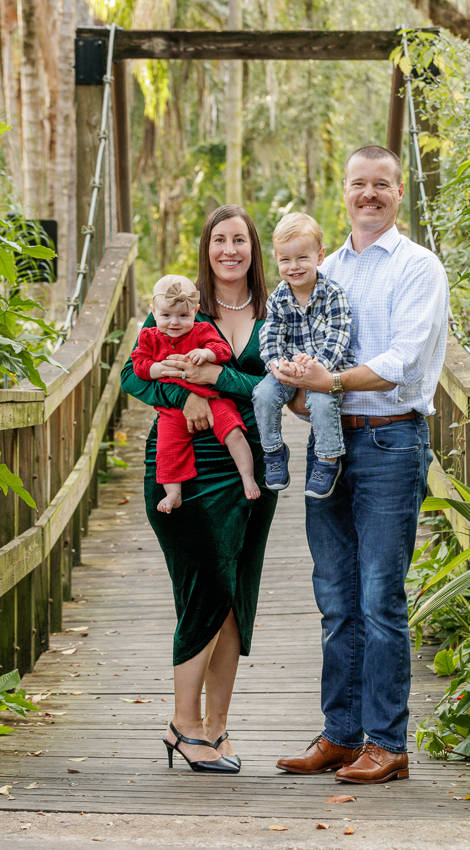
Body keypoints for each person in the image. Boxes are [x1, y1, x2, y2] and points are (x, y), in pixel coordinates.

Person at [274, 145, 449, 783]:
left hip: (390, 443)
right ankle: (342, 734)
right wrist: (296, 385)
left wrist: (328, 382)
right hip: (328, 443)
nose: (368, 194)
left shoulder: (419, 267)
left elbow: (402, 358)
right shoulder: (321, 270)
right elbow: (298, 346)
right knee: (336, 597)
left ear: (400, 192)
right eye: (358, 184)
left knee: (380, 598)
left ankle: (388, 743)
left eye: (381, 184)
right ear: (343, 191)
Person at [121, 205, 277, 774]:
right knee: (206, 582)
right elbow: (132, 375)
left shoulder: (275, 310)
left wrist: (217, 379)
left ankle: (215, 730)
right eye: (219, 239)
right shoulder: (176, 300)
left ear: (254, 249)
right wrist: (183, 396)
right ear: (206, 247)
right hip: (180, 466)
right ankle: (182, 724)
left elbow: (276, 384)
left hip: (249, 464)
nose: (230, 249)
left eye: (240, 239)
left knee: (235, 593)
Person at [131, 274, 260, 512]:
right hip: (172, 410)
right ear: (153, 311)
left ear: (195, 311)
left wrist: (206, 354)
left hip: (213, 399)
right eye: (166, 315)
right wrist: (156, 368)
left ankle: (247, 476)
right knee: (167, 447)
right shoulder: (149, 337)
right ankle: (173, 493)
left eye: (183, 315)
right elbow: (137, 365)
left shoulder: (201, 331)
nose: (174, 322)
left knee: (233, 431)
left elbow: (222, 350)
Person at [253, 212, 356, 499]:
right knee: (262, 394)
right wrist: (277, 365)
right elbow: (269, 336)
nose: (294, 266)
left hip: (324, 371)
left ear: (320, 256)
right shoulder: (277, 298)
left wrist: (318, 365)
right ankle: (273, 452)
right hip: (288, 369)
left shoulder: (333, 294)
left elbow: (339, 336)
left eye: (302, 258)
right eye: (285, 260)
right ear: (276, 259)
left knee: (323, 402)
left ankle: (326, 460)